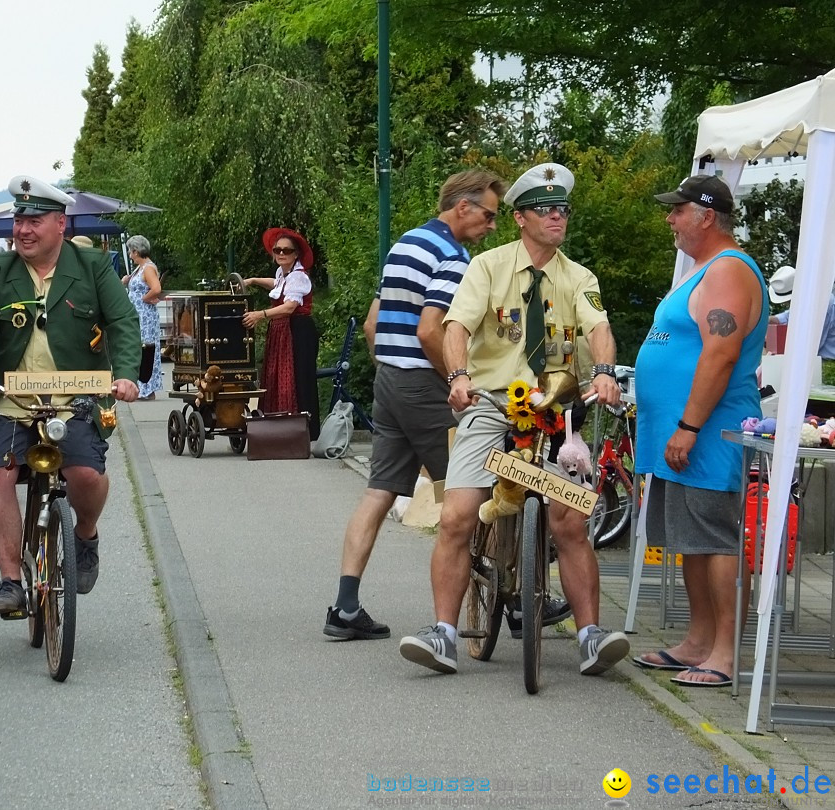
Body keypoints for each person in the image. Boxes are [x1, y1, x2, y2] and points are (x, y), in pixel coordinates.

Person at [398, 162, 629, 677]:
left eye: (563, 209)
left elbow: (599, 328)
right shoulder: (486, 267)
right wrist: (457, 375)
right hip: (493, 404)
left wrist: (607, 370)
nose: (557, 217)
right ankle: (443, 634)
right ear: (521, 218)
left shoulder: (578, 276)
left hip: (556, 411)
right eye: (546, 209)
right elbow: (455, 325)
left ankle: (590, 636)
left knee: (570, 520)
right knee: (457, 515)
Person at [323, 170, 506, 641]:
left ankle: (344, 607)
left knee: (379, 490)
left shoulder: (406, 243)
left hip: (389, 381)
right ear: (461, 207)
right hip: (426, 386)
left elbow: (371, 324)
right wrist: (453, 378)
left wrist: (391, 367)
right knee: (476, 490)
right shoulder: (452, 255)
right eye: (488, 215)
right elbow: (431, 330)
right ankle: (514, 603)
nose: (492, 226)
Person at [0, 175, 141, 616]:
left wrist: (126, 376)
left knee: (85, 476)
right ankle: (9, 581)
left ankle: (84, 535)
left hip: (75, 400)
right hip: (10, 401)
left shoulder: (92, 267)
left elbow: (122, 322)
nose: (22, 229)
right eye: (18, 219)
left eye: (34, 220)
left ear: (60, 224)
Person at [633, 174, 768, 687]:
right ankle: (698, 641)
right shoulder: (705, 269)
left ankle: (725, 655)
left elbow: (721, 352)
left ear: (706, 216)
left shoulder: (729, 270)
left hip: (709, 431)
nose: (670, 219)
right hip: (682, 433)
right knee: (690, 540)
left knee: (716, 540)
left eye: (677, 210)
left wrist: (688, 426)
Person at [241, 228, 321, 439]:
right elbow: (278, 284)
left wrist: (261, 314)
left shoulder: (299, 277)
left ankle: (300, 430)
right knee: (276, 376)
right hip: (282, 332)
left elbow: (289, 307)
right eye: (278, 250)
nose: (281, 253)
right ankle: (277, 426)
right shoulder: (283, 273)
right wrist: (255, 280)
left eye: (287, 250)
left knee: (296, 378)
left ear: (296, 254)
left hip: (297, 331)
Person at [122, 235, 164, 399]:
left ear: (136, 251)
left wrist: (143, 299)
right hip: (139, 315)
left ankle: (147, 388)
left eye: (130, 251)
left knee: (145, 349)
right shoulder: (140, 268)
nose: (130, 255)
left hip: (145, 315)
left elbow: (156, 288)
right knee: (139, 348)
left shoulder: (147, 268)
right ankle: (142, 387)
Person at [766, 264, 835, 361]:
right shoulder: (808, 300)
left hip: (829, 363)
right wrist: (774, 319)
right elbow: (790, 315)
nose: (786, 304)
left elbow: (812, 345)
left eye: (788, 301)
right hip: (820, 362)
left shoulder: (821, 304)